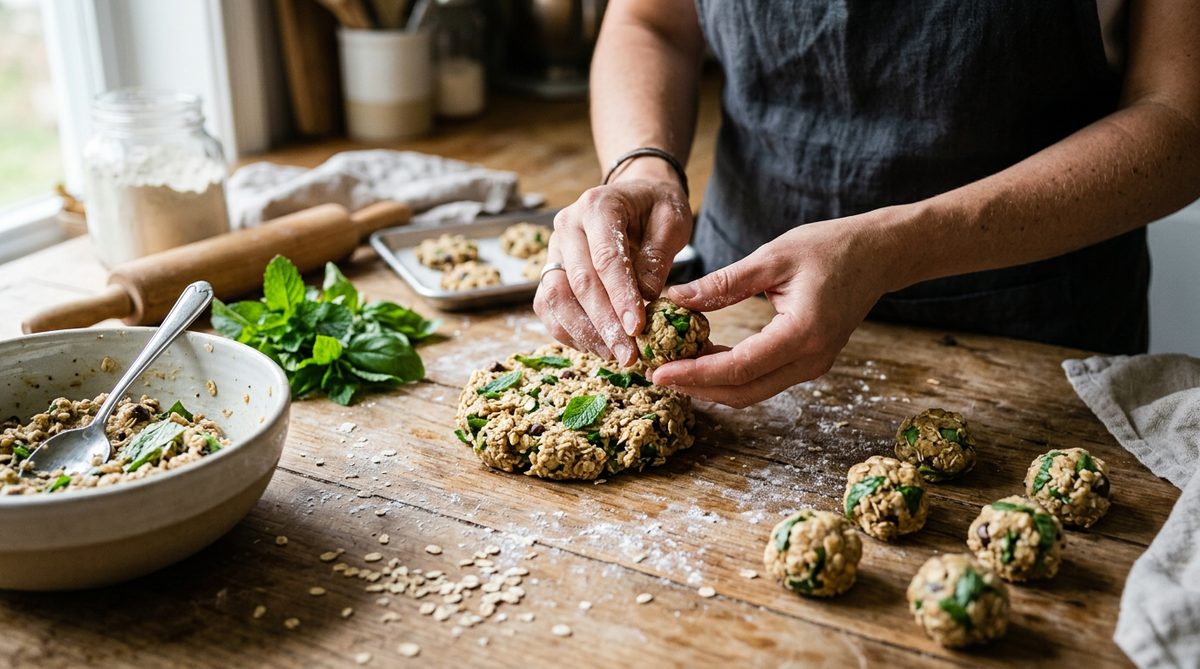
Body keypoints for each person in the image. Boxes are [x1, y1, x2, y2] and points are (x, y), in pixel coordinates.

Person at [532, 1, 1200, 408]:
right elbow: (652, 22)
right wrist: (642, 163)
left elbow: (1181, 120)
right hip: (744, 312)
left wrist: (899, 245)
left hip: (1032, 334)